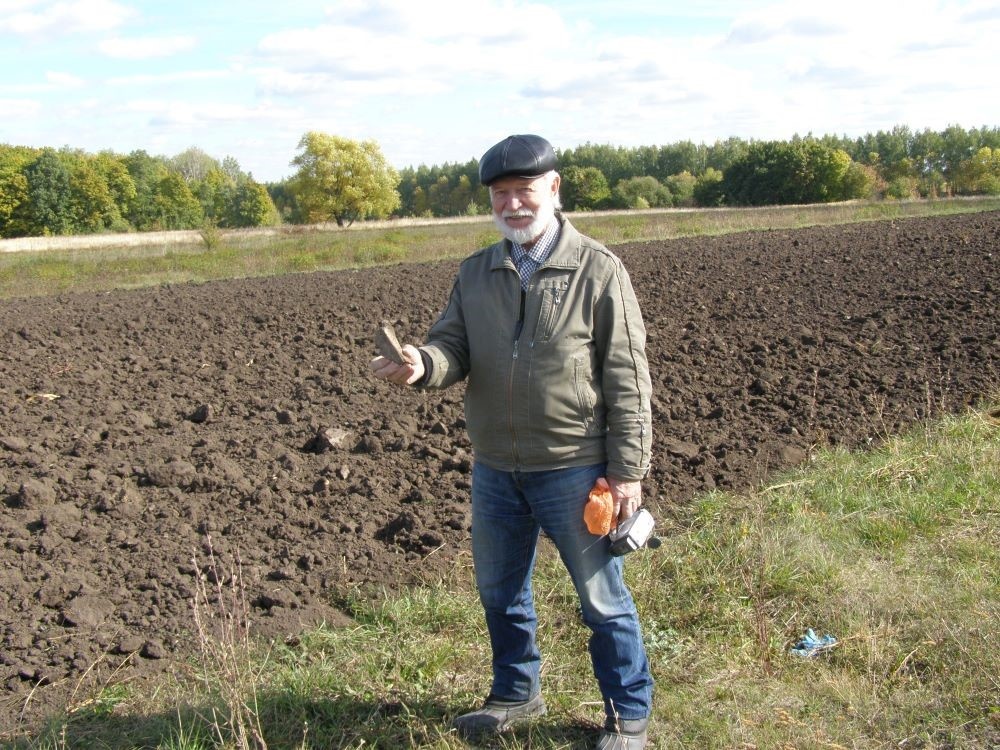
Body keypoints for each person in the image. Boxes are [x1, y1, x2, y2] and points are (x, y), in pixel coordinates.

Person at [370, 134, 653, 749]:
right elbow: (453, 348)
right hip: (496, 468)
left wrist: (627, 474)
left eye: (524, 190)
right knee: (500, 593)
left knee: (602, 601)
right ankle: (516, 692)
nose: (513, 204)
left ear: (553, 189)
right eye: (501, 194)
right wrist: (422, 364)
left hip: (576, 469)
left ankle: (629, 715)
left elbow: (628, 380)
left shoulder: (599, 270)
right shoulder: (477, 272)